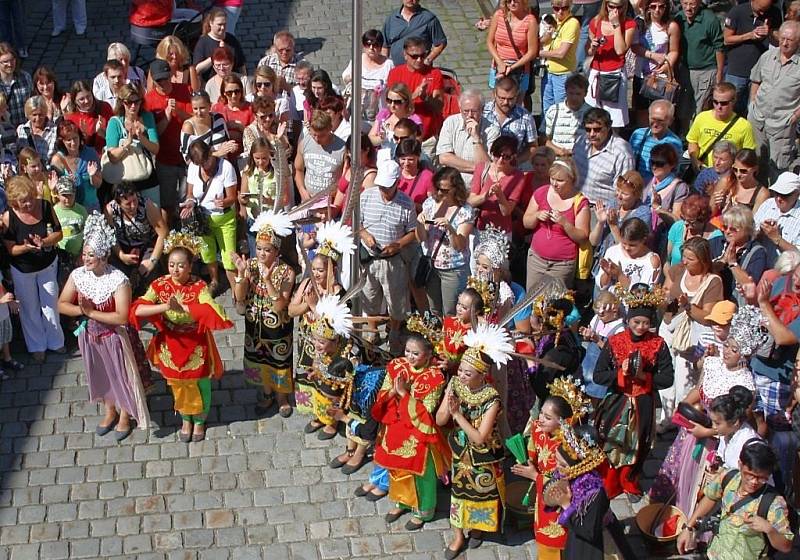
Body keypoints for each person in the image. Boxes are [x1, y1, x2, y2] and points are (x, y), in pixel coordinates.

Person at [650, 306, 760, 515]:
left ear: (744, 354)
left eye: (734, 350)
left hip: (715, 439)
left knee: (699, 481)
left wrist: (708, 433)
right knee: (680, 471)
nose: (726, 351)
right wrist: (682, 406)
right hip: (694, 427)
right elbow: (699, 390)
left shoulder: (745, 384)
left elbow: (736, 424)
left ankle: (692, 518)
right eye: (727, 346)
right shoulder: (713, 363)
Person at [130, 230, 233, 443]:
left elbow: (213, 310)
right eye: (171, 264)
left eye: (181, 265)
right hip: (170, 342)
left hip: (194, 342)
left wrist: (184, 306)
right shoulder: (160, 285)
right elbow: (138, 309)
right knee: (176, 383)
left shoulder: (198, 286)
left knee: (199, 382)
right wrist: (166, 306)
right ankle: (186, 417)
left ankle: (200, 419)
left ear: (190, 266)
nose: (175, 270)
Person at [57, 214, 150, 442]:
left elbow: (121, 317)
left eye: (92, 255)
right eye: (85, 254)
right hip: (90, 336)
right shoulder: (78, 275)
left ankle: (126, 414)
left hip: (115, 337)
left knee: (121, 376)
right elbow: (61, 304)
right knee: (101, 375)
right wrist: (82, 312)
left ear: (103, 257)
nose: (86, 259)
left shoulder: (118, 280)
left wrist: (91, 312)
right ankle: (110, 410)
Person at [437, 323, 511, 557]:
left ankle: (479, 528)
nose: (461, 376)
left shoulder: (492, 399)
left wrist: (458, 414)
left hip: (483, 455)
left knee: (482, 493)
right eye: (460, 371)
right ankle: (458, 535)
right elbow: (440, 420)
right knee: (458, 493)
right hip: (461, 452)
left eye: (467, 374)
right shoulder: (456, 384)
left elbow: (480, 438)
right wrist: (448, 406)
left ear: (482, 375)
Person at [594, 284, 674, 499]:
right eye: (636, 322)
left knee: (639, 445)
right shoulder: (615, 342)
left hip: (643, 401)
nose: (640, 327)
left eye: (646, 323)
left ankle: (630, 480)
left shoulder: (658, 344)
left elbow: (668, 378)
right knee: (610, 441)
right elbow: (598, 375)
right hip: (618, 400)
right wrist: (621, 373)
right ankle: (610, 482)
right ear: (627, 320)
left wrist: (644, 378)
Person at [373, 326, 450, 531]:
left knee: (420, 472)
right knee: (396, 467)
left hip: (419, 431)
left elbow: (427, 410)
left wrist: (404, 394)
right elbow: (382, 394)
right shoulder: (397, 366)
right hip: (395, 424)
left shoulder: (435, 378)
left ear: (428, 355)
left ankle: (423, 510)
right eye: (407, 351)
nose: (410, 356)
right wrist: (392, 393)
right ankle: (402, 501)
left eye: (416, 353)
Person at [511, 376, 592, 560]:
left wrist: (535, 477)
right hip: (542, 492)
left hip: (559, 496)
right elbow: (533, 448)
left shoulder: (569, 447)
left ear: (564, 421)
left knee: (555, 538)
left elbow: (568, 483)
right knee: (541, 532)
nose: (541, 419)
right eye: (541, 413)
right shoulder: (537, 428)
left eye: (548, 417)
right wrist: (527, 460)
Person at [677, 440, 794, 558]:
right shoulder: (728, 477)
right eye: (749, 474)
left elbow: (786, 546)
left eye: (761, 478)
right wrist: (688, 527)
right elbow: (710, 497)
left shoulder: (773, 503)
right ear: (740, 464)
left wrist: (769, 529)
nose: (754, 482)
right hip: (714, 554)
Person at [233, 211, 297, 417]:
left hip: (278, 329)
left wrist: (268, 281)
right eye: (259, 248)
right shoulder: (250, 265)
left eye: (267, 250)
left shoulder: (287, 272)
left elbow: (280, 306)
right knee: (260, 360)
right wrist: (241, 276)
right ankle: (267, 393)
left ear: (276, 251)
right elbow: (240, 297)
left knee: (278, 361)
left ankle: (282, 396)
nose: (261, 254)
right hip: (255, 325)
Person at [287, 222, 351, 419]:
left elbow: (334, 326)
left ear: (331, 270)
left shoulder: (338, 293)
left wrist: (314, 306)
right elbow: (291, 310)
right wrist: (308, 305)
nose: (315, 274)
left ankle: (330, 420)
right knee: (310, 378)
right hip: (308, 341)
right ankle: (317, 415)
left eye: (320, 270)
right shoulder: (307, 283)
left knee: (327, 381)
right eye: (313, 269)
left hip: (329, 348)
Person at [660, 237, 723, 425]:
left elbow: (707, 316)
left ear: (703, 260)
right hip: (670, 327)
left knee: (683, 381)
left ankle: (681, 420)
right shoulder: (680, 269)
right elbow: (666, 289)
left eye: (690, 259)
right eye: (684, 256)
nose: (685, 261)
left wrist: (688, 306)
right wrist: (660, 299)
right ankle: (666, 418)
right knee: (665, 374)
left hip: (690, 336)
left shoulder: (713, 282)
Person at [1, 176, 64, 363]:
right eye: (23, 201)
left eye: (30, 197)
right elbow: (10, 249)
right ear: (14, 202)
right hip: (23, 269)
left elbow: (59, 233)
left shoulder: (44, 205)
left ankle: (55, 341)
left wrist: (44, 242)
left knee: (51, 304)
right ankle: (37, 346)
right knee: (29, 308)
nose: (29, 203)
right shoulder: (8, 217)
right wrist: (26, 248)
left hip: (47, 264)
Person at [359, 159, 418, 355]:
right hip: (370, 257)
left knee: (396, 301)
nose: (384, 190)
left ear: (396, 183)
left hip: (392, 259)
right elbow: (356, 222)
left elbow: (412, 231)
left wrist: (398, 245)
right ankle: (372, 330)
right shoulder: (367, 196)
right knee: (370, 297)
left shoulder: (406, 203)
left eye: (387, 186)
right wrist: (366, 235)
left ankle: (394, 331)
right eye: (382, 186)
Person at [523, 158, 590, 291]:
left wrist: (565, 223)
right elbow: (526, 223)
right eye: (552, 178)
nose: (554, 183)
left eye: (560, 180)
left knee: (555, 306)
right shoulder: (541, 192)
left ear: (572, 179)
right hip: (536, 259)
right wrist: (537, 215)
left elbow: (583, 236)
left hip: (562, 264)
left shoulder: (580, 202)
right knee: (531, 300)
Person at [181, 140, 238, 296]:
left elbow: (232, 197)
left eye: (206, 161)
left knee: (229, 255)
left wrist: (223, 201)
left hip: (224, 218)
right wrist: (190, 204)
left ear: (211, 153)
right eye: (201, 164)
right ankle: (214, 281)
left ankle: (236, 290)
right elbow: (190, 194)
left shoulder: (226, 167)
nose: (205, 166)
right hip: (203, 220)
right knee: (208, 253)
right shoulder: (194, 167)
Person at [415, 167, 474, 316]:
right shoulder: (430, 203)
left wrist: (450, 229)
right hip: (432, 265)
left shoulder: (465, 211)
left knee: (451, 312)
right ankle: (435, 338)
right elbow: (421, 238)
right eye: (438, 189)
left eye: (445, 190)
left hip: (453, 269)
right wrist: (419, 224)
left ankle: (449, 338)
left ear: (456, 189)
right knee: (434, 310)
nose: (440, 193)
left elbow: (460, 245)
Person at [748, 21, 800, 181]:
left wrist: (796, 115)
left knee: (778, 166)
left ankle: (776, 200)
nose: (785, 43)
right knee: (756, 161)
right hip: (759, 119)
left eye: (789, 40)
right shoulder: (767, 56)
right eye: (783, 38)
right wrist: (752, 103)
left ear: (798, 41)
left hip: (782, 123)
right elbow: (755, 80)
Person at [552, 423, 610, 559]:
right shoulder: (569, 475)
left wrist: (566, 506)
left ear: (579, 466)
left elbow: (589, 532)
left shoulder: (594, 493)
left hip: (588, 546)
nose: (557, 468)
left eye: (562, 465)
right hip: (574, 533)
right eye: (556, 460)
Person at [144, 59, 192, 224]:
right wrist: (166, 116)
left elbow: (195, 121)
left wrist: (178, 111)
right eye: (158, 80)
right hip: (165, 160)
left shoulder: (184, 90)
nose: (163, 83)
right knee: (167, 204)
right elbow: (154, 134)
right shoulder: (149, 101)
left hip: (187, 158)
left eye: (165, 78)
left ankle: (189, 236)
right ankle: (168, 237)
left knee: (188, 201)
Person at [105, 182, 167, 296]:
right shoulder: (110, 210)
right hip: (122, 246)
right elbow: (110, 236)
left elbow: (162, 234)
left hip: (145, 245)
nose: (133, 206)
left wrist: (152, 261)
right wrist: (121, 255)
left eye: (135, 200)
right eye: (128, 204)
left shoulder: (147, 206)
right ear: (118, 203)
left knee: (149, 272)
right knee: (115, 274)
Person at [723, 0, 782, 117]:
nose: (761, 13)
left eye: (765, 10)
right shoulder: (737, 11)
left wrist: (769, 32)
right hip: (737, 70)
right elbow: (726, 40)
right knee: (731, 107)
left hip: (761, 71)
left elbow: (779, 42)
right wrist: (749, 35)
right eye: (759, 9)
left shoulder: (774, 12)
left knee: (754, 109)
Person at [104, 84, 161, 204]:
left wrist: (141, 137)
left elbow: (155, 149)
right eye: (129, 102)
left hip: (147, 174)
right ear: (122, 103)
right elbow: (112, 157)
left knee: (154, 213)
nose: (133, 106)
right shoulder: (115, 123)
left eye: (137, 101)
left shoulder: (147, 117)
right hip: (124, 179)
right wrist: (127, 143)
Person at [585, 0, 637, 128]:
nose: (615, 11)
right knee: (593, 116)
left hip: (615, 74)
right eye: (611, 6)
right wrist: (593, 47)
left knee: (614, 120)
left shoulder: (629, 24)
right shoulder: (596, 21)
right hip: (597, 72)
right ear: (605, 5)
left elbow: (620, 50)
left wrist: (616, 26)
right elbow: (589, 51)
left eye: (619, 7)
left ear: (624, 6)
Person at [386, 36, 445, 149]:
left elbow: (439, 107)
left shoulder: (434, 74)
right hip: (400, 139)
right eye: (414, 56)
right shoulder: (395, 74)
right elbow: (392, 106)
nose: (419, 60)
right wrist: (413, 95)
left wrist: (425, 98)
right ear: (405, 55)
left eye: (423, 55)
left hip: (427, 140)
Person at [675, 0, 724, 132]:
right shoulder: (679, 18)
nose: (688, 8)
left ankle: (696, 137)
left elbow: (719, 47)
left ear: (698, 3)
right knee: (683, 108)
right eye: (685, 4)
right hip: (685, 69)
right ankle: (684, 136)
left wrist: (719, 73)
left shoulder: (710, 19)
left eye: (692, 4)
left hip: (706, 70)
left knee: (700, 108)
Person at [630, 0, 681, 126]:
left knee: (662, 112)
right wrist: (652, 55)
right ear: (648, 8)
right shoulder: (640, 24)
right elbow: (634, 46)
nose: (657, 10)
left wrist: (665, 66)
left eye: (661, 6)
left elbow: (674, 51)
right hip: (641, 74)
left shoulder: (671, 26)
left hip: (660, 77)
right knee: (641, 110)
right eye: (653, 6)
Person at [687, 82, 756, 172]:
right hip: (703, 169)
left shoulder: (744, 126)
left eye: (724, 103)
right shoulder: (702, 117)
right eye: (715, 102)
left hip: (728, 174)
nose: (719, 107)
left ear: (733, 101)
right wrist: (694, 160)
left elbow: (747, 154)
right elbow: (693, 141)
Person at [436, 89, 499, 185]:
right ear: (460, 109)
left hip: (477, 186)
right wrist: (477, 168)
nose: (470, 115)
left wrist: (476, 139)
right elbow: (444, 158)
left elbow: (488, 170)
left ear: (482, 110)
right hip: (451, 184)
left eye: (474, 111)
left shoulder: (492, 131)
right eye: (466, 111)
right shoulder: (450, 123)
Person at [239, 137, 290, 255]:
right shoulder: (248, 171)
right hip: (253, 219)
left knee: (270, 254)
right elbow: (242, 194)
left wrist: (269, 201)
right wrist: (243, 200)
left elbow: (285, 199)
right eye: (257, 158)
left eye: (264, 158)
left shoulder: (277, 174)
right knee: (255, 254)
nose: (261, 162)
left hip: (271, 221)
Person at [572, 108, 634, 204]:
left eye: (597, 129)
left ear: (608, 127)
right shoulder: (580, 141)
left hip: (603, 209)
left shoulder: (622, 153)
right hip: (576, 202)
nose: (592, 134)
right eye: (588, 129)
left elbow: (625, 191)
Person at [469, 135, 526, 236]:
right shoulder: (481, 168)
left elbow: (506, 211)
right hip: (479, 228)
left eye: (506, 157)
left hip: (502, 232)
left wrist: (500, 195)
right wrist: (485, 196)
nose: (500, 160)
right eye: (497, 155)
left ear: (513, 156)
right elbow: (471, 201)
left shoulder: (518, 176)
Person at [486, 0, 539, 104]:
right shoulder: (499, 15)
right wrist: (500, 63)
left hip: (520, 68)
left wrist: (512, 67)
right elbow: (489, 42)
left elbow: (532, 52)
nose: (512, 3)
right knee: (498, 103)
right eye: (509, 1)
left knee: (515, 105)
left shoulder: (530, 21)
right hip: (499, 67)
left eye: (516, 1)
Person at [342, 29, 395, 125]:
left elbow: (393, 88)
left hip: (378, 114)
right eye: (367, 44)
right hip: (355, 111)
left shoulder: (388, 64)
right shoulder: (358, 59)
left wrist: (384, 88)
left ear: (380, 47)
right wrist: (351, 78)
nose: (371, 48)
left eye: (375, 45)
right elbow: (345, 77)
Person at [580, 290, 624, 401]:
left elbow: (613, 353)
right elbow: (589, 339)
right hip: (589, 362)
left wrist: (597, 340)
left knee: (595, 395)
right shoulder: (597, 319)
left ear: (614, 311)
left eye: (603, 314)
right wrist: (586, 335)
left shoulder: (619, 329)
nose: (600, 317)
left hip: (603, 367)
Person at [294, 110, 347, 201]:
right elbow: (298, 169)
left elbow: (346, 178)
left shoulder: (342, 149)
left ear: (330, 128)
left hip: (331, 202)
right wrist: (302, 190)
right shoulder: (305, 143)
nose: (317, 139)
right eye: (314, 135)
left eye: (322, 136)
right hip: (308, 201)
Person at [596, 217, 661, 291]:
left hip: (630, 301)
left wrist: (620, 275)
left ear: (643, 240)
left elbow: (643, 295)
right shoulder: (612, 251)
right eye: (624, 243)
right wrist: (607, 274)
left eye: (632, 245)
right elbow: (601, 286)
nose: (627, 248)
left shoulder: (651, 261)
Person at [482, 77, 538, 162]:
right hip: (486, 165)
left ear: (517, 95)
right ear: (494, 94)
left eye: (510, 99)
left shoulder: (525, 117)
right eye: (502, 98)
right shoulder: (483, 113)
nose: (505, 103)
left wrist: (516, 162)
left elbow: (533, 146)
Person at [50, 120, 101, 212]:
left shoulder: (91, 153)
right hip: (71, 210)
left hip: (91, 208)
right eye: (68, 140)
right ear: (62, 141)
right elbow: (56, 193)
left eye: (75, 138)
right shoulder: (57, 160)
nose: (73, 143)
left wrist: (92, 176)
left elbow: (98, 184)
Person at [540, 0, 580, 117]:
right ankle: (546, 134)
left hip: (563, 74)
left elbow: (561, 53)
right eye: (556, 8)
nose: (560, 12)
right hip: (548, 72)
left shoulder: (572, 23)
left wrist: (539, 53)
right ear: (552, 6)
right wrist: (547, 35)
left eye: (565, 8)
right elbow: (539, 41)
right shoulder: (550, 19)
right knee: (546, 110)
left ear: (570, 6)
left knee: (562, 111)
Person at [628, 100, 683, 183]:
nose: (655, 124)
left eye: (660, 120)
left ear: (670, 121)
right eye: (653, 119)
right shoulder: (638, 134)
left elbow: (673, 173)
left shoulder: (673, 143)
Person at [382, 0, 448, 67]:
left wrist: (427, 60)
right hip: (397, 69)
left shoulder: (429, 18)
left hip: (420, 70)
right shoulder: (392, 18)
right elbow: (385, 46)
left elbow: (441, 43)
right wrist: (385, 66)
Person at [665, 193, 723, 269]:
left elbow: (712, 268)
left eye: (690, 222)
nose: (685, 223)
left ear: (703, 220)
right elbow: (667, 261)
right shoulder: (678, 226)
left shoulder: (716, 237)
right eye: (683, 218)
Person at [541, 72, 591, 158]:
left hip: (583, 161)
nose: (574, 98)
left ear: (585, 93)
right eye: (571, 93)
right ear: (565, 91)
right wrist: (560, 151)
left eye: (578, 94)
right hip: (558, 161)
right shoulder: (554, 111)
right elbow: (544, 139)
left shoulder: (592, 113)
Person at [753, 171, 800, 261]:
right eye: (776, 193)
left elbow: (798, 254)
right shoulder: (768, 204)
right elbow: (750, 237)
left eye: (784, 195)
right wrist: (761, 233)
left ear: (797, 194)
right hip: (759, 262)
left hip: (784, 270)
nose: (778, 199)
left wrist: (777, 238)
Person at [193, 7, 246, 83]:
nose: (223, 28)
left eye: (224, 24)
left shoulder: (232, 40)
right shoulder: (203, 42)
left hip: (232, 84)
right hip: (211, 84)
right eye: (219, 25)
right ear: (211, 23)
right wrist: (214, 56)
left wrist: (244, 82)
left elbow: (241, 65)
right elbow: (197, 69)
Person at [180, 90, 235, 162]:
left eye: (202, 108)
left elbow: (226, 142)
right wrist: (216, 154)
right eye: (195, 109)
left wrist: (231, 147)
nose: (199, 112)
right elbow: (188, 159)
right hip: (201, 171)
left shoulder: (219, 119)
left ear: (210, 106)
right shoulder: (189, 127)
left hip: (223, 166)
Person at [63, 80, 114, 155]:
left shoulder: (105, 107)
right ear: (75, 101)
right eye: (81, 99)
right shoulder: (70, 117)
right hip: (87, 158)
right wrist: (85, 136)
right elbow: (72, 148)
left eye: (88, 96)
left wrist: (102, 132)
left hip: (108, 153)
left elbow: (116, 137)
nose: (86, 101)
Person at [367, 83, 422, 150]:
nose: (392, 105)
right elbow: (370, 138)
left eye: (397, 102)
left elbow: (418, 144)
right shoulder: (384, 114)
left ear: (406, 102)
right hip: (383, 156)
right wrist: (381, 138)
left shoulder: (414, 120)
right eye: (389, 101)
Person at [211, 74, 253, 161]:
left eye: (237, 91)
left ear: (241, 91)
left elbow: (254, 135)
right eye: (229, 93)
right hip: (222, 156)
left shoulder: (250, 108)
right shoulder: (217, 108)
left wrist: (240, 127)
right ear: (224, 93)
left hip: (245, 155)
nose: (233, 95)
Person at [52, 176, 87, 272]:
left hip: (79, 254)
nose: (67, 199)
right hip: (62, 256)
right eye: (64, 195)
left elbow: (87, 233)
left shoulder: (81, 210)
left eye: (70, 195)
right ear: (57, 194)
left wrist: (82, 254)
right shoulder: (54, 211)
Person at [647, 142, 688, 221]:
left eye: (659, 164)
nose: (654, 167)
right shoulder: (647, 181)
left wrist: (658, 208)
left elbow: (677, 220)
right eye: (652, 162)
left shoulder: (680, 187)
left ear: (672, 164)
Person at [16, 96, 58, 163]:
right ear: (28, 115)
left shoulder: (55, 131)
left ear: (45, 113)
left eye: (40, 115)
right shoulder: (21, 130)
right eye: (34, 115)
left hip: (48, 171)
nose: (38, 119)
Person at [0, 43, 32, 127]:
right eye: (5, 62)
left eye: (12, 60)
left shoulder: (25, 77)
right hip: (5, 132)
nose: (10, 64)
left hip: (26, 128)